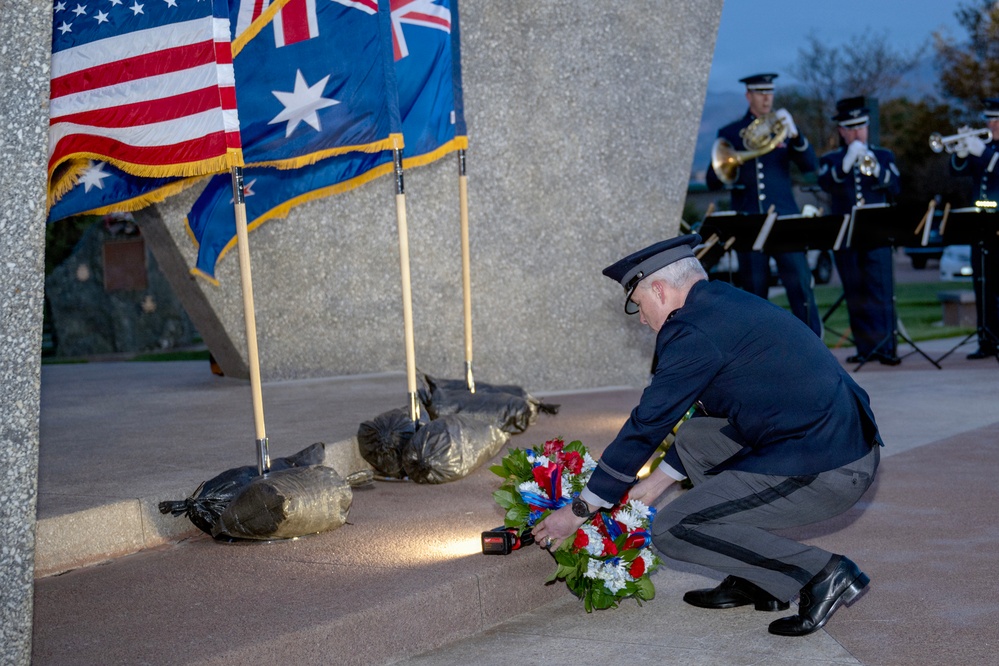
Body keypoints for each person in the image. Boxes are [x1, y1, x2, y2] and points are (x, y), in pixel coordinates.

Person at [532, 234, 882, 637]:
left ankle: (822, 573)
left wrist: (581, 509)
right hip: (823, 441)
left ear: (659, 290)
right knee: (697, 437)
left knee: (675, 529)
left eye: (639, 305)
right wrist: (655, 484)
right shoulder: (720, 305)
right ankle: (756, 578)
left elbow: (647, 423)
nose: (643, 319)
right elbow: (715, 412)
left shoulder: (692, 331)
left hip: (827, 466)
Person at [706, 73, 822, 337]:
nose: (767, 97)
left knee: (800, 287)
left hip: (784, 220)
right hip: (750, 222)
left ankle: (814, 345)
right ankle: (759, 351)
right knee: (755, 292)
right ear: (749, 96)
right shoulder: (731, 133)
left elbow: (810, 166)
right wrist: (731, 162)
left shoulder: (782, 128)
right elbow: (714, 180)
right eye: (760, 92)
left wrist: (796, 135)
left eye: (769, 92)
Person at [817, 96, 902, 365]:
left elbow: (895, 187)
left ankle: (886, 348)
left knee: (881, 290)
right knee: (856, 292)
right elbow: (826, 183)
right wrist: (846, 163)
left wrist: (875, 167)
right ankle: (865, 348)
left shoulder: (883, 155)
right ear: (841, 131)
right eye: (850, 128)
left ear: (866, 127)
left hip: (877, 234)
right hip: (847, 236)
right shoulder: (832, 159)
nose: (856, 134)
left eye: (860, 127)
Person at [948, 97, 999, 360]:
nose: (991, 124)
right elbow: (956, 171)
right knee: (982, 282)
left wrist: (985, 154)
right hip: (980, 225)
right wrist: (962, 150)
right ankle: (986, 339)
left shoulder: (987, 151)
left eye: (996, 119)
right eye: (988, 119)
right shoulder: (984, 147)